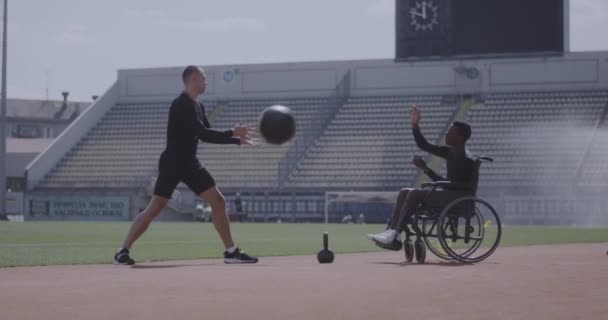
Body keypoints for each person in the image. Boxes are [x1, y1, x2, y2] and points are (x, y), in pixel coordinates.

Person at [114, 65, 259, 265]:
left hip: (190, 164)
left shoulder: (198, 106)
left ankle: (231, 251)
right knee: (156, 207)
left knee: (218, 201)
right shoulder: (180, 104)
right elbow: (202, 132)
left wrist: (235, 140)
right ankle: (122, 251)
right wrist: (233, 133)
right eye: (203, 78)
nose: (206, 82)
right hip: (172, 163)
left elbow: (208, 135)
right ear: (192, 80)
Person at [368, 105, 475, 246]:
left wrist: (428, 171)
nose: (446, 135)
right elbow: (424, 145)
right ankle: (391, 231)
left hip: (457, 199)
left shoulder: (466, 159)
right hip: (448, 194)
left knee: (415, 193)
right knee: (404, 192)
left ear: (460, 137)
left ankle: (395, 234)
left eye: (450, 132)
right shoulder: (450, 153)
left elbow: (462, 186)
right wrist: (414, 125)